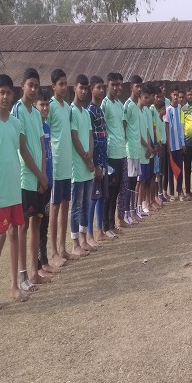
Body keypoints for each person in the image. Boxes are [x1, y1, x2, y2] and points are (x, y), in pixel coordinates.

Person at [0, 74, 28, 310]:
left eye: (8, 93)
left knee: (14, 233)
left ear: (13, 95)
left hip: (14, 188)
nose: (5, 97)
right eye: (1, 92)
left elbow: (21, 151)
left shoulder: (15, 124)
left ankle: (14, 286)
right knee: (0, 237)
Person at [11, 68, 49, 291]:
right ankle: (22, 274)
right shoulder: (18, 110)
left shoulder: (35, 113)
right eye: (30, 85)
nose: (33, 89)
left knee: (37, 222)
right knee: (23, 226)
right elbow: (23, 148)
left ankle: (34, 272)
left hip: (39, 179)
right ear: (22, 85)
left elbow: (42, 146)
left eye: (36, 85)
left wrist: (43, 176)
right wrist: (38, 175)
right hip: (26, 178)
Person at [48, 68, 76, 265]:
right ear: (53, 86)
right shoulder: (49, 107)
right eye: (61, 84)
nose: (64, 87)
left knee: (66, 205)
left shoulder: (67, 107)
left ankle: (63, 248)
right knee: (55, 207)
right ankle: (53, 251)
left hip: (67, 166)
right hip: (56, 166)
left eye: (66, 83)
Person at [70, 74, 95, 256]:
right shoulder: (71, 111)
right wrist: (87, 159)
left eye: (86, 88)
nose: (84, 91)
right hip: (78, 167)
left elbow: (90, 136)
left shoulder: (86, 113)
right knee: (76, 206)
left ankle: (84, 239)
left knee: (86, 204)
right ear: (75, 88)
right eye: (81, 88)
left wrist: (91, 154)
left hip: (88, 165)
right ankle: (74, 243)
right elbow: (74, 137)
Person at [35, 89, 59, 278]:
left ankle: (44, 261)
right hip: (39, 183)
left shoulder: (47, 127)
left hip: (49, 180)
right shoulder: (35, 127)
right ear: (35, 106)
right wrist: (40, 178)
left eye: (46, 105)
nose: (45, 108)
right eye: (41, 105)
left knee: (44, 224)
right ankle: (36, 266)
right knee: (36, 225)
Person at [101, 72, 127, 233]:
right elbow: (102, 129)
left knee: (117, 189)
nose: (117, 88)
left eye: (118, 85)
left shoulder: (119, 104)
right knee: (109, 191)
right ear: (107, 85)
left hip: (121, 152)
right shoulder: (104, 104)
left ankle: (112, 223)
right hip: (110, 153)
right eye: (113, 85)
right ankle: (106, 226)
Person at [87, 75, 108, 245]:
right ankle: (89, 234)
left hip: (103, 159)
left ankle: (100, 230)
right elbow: (91, 140)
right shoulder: (90, 111)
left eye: (102, 87)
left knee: (102, 196)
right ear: (91, 89)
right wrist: (95, 165)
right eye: (98, 87)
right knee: (93, 198)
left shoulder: (100, 110)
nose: (101, 90)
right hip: (96, 163)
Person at [123, 75, 143, 222]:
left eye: (140, 86)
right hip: (129, 150)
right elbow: (124, 126)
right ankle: (126, 212)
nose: (139, 89)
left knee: (135, 181)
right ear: (131, 87)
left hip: (137, 150)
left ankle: (133, 211)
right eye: (137, 86)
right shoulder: (128, 105)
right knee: (129, 183)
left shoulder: (136, 106)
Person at [136, 84, 156, 216]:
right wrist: (147, 147)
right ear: (140, 96)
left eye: (149, 97)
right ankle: (137, 207)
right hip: (139, 151)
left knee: (144, 180)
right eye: (145, 97)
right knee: (138, 182)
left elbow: (148, 131)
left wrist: (150, 147)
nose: (147, 100)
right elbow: (137, 133)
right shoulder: (136, 111)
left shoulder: (144, 111)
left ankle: (141, 205)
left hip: (146, 152)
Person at [166, 85, 185, 201]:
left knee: (180, 169)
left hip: (179, 145)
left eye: (177, 95)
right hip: (171, 146)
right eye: (174, 94)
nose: (176, 97)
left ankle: (180, 191)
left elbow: (181, 126)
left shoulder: (180, 108)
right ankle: (172, 192)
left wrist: (183, 143)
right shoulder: (168, 110)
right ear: (171, 95)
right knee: (171, 170)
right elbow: (167, 128)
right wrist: (168, 144)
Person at [181, 87, 192, 200]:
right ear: (186, 96)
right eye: (188, 95)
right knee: (187, 170)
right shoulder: (183, 109)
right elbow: (182, 126)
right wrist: (183, 143)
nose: (190, 96)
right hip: (187, 144)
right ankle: (187, 192)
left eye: (191, 94)